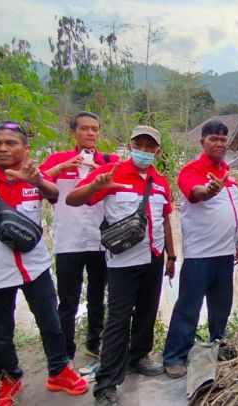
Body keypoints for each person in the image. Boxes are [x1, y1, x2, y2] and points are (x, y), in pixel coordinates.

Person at [0, 122, 88, 405]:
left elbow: (53, 194)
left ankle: (59, 370)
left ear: (25, 149)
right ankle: (9, 379)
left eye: (10, 143)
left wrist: (35, 179)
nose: (2, 148)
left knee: (51, 322)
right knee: (2, 333)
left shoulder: (34, 178)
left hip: (35, 268)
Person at [66, 125, 176, 406]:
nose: (144, 151)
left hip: (154, 256)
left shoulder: (161, 181)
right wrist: (94, 186)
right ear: (130, 145)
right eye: (139, 145)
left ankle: (138, 356)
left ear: (157, 151)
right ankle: (106, 384)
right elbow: (72, 199)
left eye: (150, 147)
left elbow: (164, 220)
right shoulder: (112, 173)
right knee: (117, 320)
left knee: (147, 312)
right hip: (122, 261)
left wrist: (171, 256)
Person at [162, 121, 238, 379]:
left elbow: (233, 212)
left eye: (222, 139)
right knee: (189, 307)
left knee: (221, 305)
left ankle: (219, 343)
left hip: (224, 255)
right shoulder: (192, 170)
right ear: (202, 142)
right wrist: (209, 190)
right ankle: (175, 356)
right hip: (200, 256)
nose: (219, 143)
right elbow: (196, 193)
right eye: (213, 139)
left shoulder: (229, 174)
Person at [40, 111, 118, 361]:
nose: (91, 133)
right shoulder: (59, 160)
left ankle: (94, 343)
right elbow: (36, 184)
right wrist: (61, 168)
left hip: (100, 241)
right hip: (68, 241)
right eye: (84, 128)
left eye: (95, 128)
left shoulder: (109, 160)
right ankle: (65, 350)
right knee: (68, 299)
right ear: (72, 132)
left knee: (98, 296)